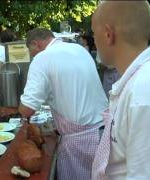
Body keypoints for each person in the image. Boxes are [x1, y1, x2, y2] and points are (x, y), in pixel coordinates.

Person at [91, 1, 150, 180]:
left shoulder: (144, 94)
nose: (94, 40)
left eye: (93, 33)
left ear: (108, 34)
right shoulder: (146, 78)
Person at [19, 28, 107, 180]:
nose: (32, 55)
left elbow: (26, 110)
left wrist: (21, 106)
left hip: (82, 142)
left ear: (36, 44)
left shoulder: (42, 58)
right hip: (104, 131)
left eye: (31, 51)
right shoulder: (78, 49)